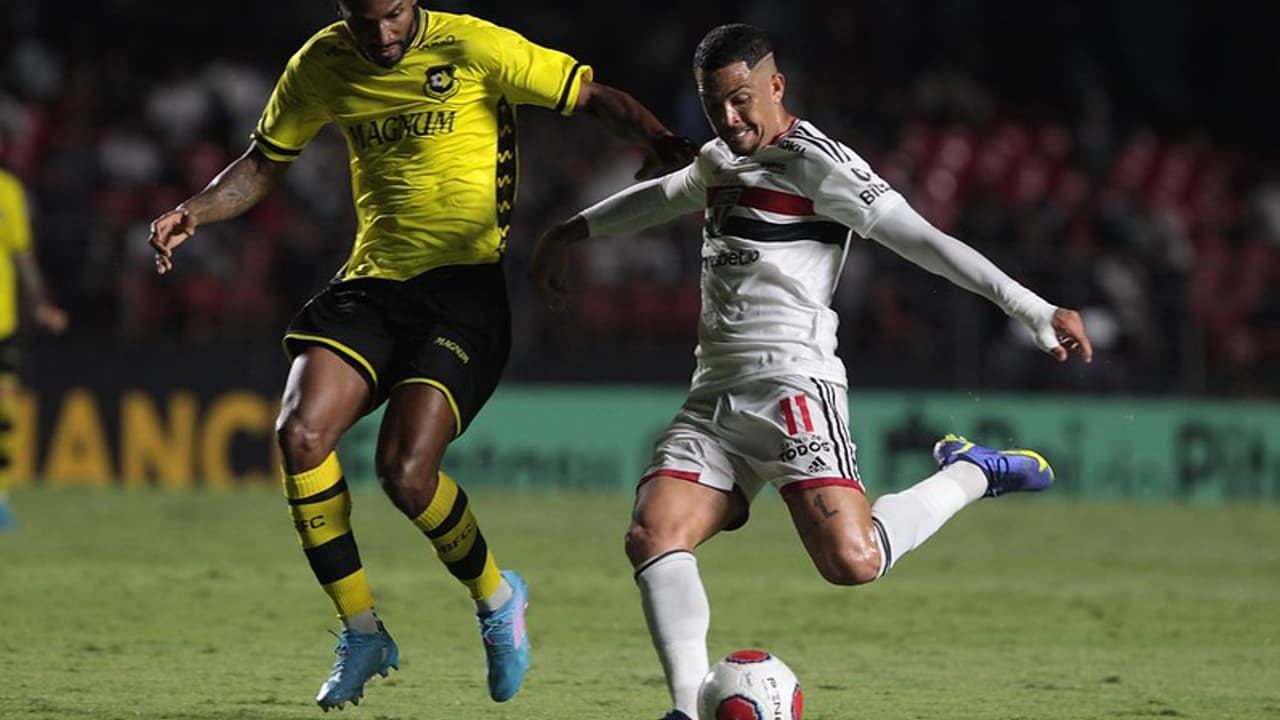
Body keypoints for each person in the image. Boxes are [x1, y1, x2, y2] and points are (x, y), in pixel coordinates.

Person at [530, 24, 1094, 720]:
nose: (730, 120)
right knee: (654, 534)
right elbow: (666, 194)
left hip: (794, 386)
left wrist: (1030, 307)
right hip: (714, 393)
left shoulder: (819, 164)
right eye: (714, 106)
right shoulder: (718, 158)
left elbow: (922, 238)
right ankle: (683, 709)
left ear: (775, 86)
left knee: (851, 562)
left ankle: (974, 470)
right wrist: (569, 232)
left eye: (741, 100)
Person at [146, 0, 696, 711]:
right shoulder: (320, 63)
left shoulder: (474, 45)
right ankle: (363, 631)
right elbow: (262, 163)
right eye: (365, 21)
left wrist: (658, 141)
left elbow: (590, 96)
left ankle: (498, 599)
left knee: (406, 473)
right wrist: (196, 209)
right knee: (299, 435)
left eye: (396, 16)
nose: (382, 36)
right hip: (372, 283)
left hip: (464, 287)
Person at [0, 132, 69, 530]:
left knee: (5, 409)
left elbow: (21, 254)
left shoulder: (9, 192)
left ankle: (1, 497)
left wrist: (41, 304)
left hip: (3, 322)